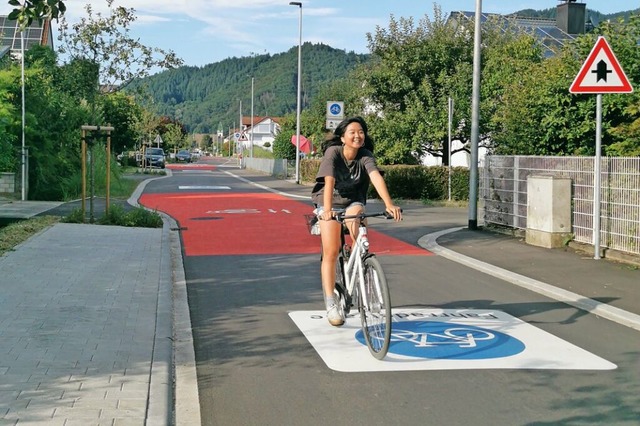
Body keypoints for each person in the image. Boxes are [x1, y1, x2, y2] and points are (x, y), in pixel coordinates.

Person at [311, 116, 402, 326]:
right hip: (329, 202)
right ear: (342, 137)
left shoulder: (365, 156)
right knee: (331, 250)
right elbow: (329, 181)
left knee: (359, 228)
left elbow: (375, 177)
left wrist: (389, 204)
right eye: (352, 132)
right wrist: (326, 212)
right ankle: (331, 302)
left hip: (353, 201)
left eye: (361, 132)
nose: (357, 135)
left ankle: (361, 262)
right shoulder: (333, 152)